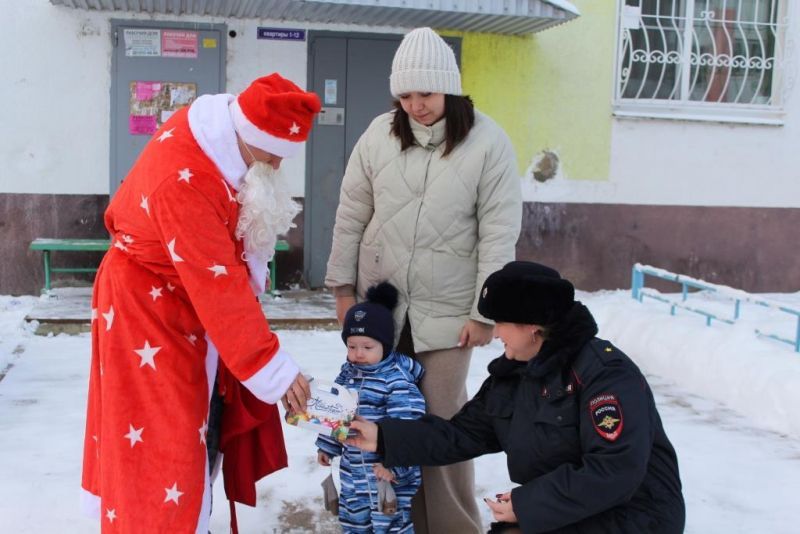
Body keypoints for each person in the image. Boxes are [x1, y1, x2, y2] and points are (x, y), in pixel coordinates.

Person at [80, 73, 320, 533]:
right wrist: (271, 366)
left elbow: (219, 273)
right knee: (162, 435)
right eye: (274, 153)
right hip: (145, 312)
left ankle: (192, 514)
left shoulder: (222, 136)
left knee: (196, 424)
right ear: (251, 138)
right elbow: (219, 284)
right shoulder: (184, 178)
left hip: (180, 300)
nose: (275, 163)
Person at [325, 27, 522, 533]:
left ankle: (454, 524)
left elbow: (498, 235)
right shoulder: (377, 135)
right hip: (382, 307)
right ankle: (390, 518)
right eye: (406, 95)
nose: (416, 105)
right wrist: (343, 290)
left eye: (426, 94)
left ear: (450, 89)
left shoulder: (487, 142)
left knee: (443, 423)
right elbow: (350, 215)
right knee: (375, 412)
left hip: (449, 313)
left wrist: (484, 313)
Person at [346, 261, 686, 533]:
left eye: (500, 322)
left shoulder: (604, 373)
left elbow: (615, 470)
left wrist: (528, 505)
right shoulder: (514, 374)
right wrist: (383, 437)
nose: (495, 333)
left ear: (532, 326)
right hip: (570, 506)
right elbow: (461, 435)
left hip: (637, 515)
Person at [316, 282, 426, 533]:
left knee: (390, 526)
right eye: (352, 346)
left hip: (385, 479)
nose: (358, 354)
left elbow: (408, 429)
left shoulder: (397, 381)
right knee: (353, 523)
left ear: (385, 346)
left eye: (367, 347)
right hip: (353, 474)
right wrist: (328, 446)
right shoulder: (346, 376)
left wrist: (394, 464)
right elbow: (335, 414)